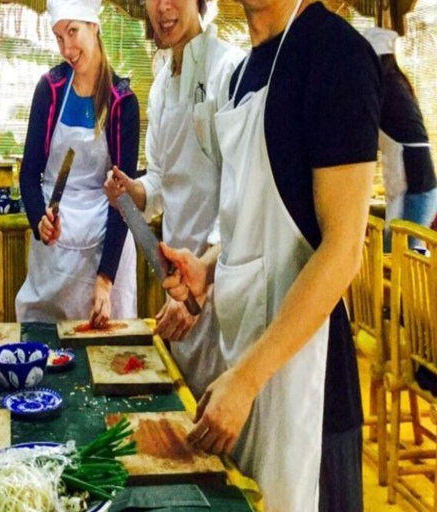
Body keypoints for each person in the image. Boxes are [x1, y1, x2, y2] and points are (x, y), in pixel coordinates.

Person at [160, 0, 380, 509]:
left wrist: (249, 378)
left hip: (307, 390)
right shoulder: (240, 76)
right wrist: (207, 269)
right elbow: (245, 221)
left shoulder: (336, 56)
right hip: (242, 377)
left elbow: (344, 251)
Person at [103, 0, 243, 398]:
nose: (163, 8)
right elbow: (162, 180)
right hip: (177, 280)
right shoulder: (163, 80)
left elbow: (240, 191)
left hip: (219, 279)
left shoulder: (229, 70)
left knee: (219, 413)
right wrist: (134, 191)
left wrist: (205, 275)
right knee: (185, 406)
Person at [16, 0, 139, 325]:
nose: (67, 47)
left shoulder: (122, 103)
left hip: (106, 241)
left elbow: (123, 197)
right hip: (55, 246)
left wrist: (105, 278)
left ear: (94, 27)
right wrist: (39, 220)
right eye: (59, 37)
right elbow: (29, 175)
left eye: (73, 31)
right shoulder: (50, 90)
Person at [363, 28, 437, 251]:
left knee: (399, 260)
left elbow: (363, 132)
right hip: (415, 187)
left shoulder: (386, 89)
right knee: (394, 257)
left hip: (416, 188)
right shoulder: (394, 83)